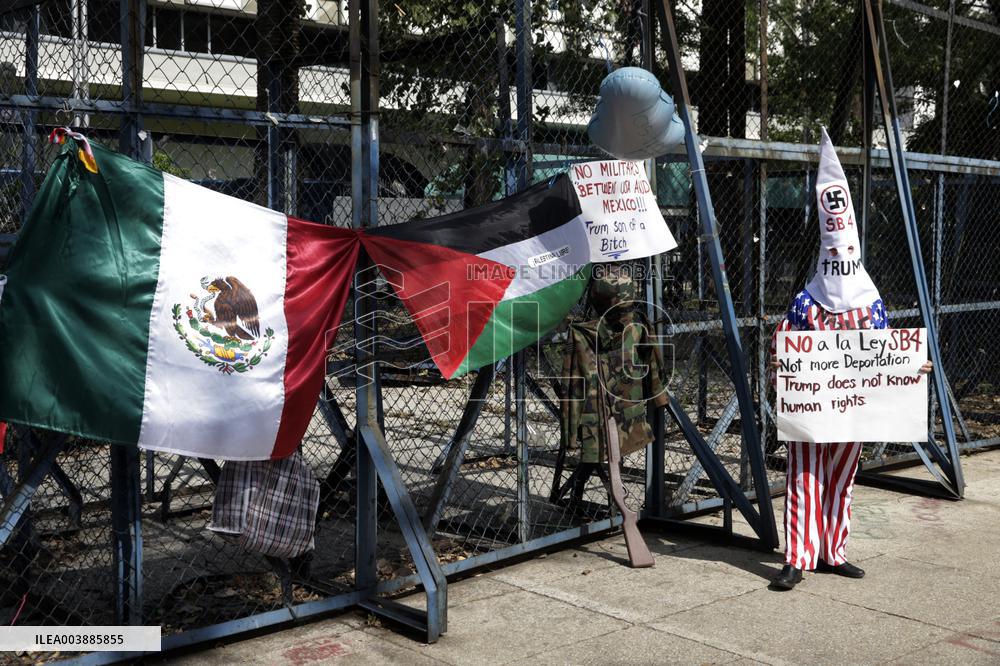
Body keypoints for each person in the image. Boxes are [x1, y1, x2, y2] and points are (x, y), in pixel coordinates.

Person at [769, 128, 931, 591]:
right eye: (832, 250)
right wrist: (780, 366)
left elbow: (885, 353)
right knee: (803, 474)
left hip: (851, 408)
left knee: (841, 477)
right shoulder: (805, 302)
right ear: (824, 255)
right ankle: (796, 557)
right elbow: (786, 343)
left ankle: (832, 552)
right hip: (811, 410)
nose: (839, 255)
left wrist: (910, 368)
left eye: (846, 250)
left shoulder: (870, 304)